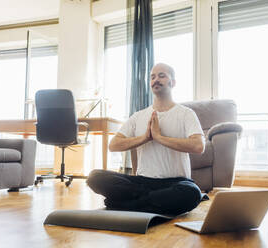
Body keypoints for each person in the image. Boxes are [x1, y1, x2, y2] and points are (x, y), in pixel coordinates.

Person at [86, 63, 208, 216]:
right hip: (142, 182)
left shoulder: (186, 113)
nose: (156, 79)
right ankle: (148, 203)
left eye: (161, 75)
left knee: (191, 193)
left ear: (173, 82)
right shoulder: (138, 116)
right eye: (152, 77)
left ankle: (123, 204)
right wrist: (145, 138)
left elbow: (198, 146)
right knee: (94, 177)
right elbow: (113, 145)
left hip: (175, 182)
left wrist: (160, 137)